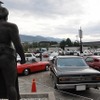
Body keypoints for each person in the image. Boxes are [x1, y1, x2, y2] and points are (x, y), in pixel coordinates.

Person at [0, 1, 26, 100]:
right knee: (10, 85)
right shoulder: (11, 26)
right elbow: (18, 45)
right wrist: (23, 58)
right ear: (6, 16)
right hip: (7, 57)